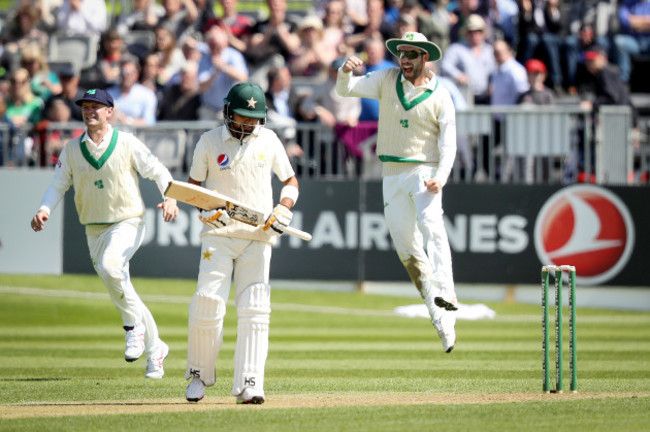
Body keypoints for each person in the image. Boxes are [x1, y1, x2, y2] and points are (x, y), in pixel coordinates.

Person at [30, 88, 178, 378]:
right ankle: (155, 348)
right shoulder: (72, 149)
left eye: (96, 107)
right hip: (94, 229)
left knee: (112, 268)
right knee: (120, 286)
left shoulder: (126, 142)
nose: (90, 111)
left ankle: (132, 328)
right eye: (86, 107)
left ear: (109, 111)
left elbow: (159, 171)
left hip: (128, 221)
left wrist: (171, 197)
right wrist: (44, 209)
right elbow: (57, 184)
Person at [336, 32, 458, 353]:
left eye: (411, 54)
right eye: (401, 54)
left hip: (425, 171)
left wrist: (440, 178)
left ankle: (447, 292)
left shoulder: (441, 95)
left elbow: (449, 145)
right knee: (408, 250)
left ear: (424, 58)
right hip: (391, 174)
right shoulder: (386, 79)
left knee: (432, 225)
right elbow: (344, 89)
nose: (404, 60)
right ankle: (439, 317)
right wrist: (345, 70)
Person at [183, 82, 300, 404]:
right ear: (226, 111)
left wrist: (284, 209)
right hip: (218, 237)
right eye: (241, 116)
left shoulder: (270, 140)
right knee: (207, 303)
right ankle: (198, 375)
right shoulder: (208, 141)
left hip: (258, 236)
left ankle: (250, 383)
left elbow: (290, 181)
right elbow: (192, 187)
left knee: (256, 309)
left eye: (253, 118)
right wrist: (206, 211)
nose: (248, 123)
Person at [107, 58, 158, 126]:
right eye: (123, 73)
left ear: (136, 75)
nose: (126, 76)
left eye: (129, 73)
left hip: (139, 135)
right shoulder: (108, 95)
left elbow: (150, 121)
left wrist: (127, 121)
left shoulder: (147, 95)